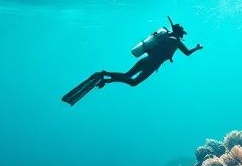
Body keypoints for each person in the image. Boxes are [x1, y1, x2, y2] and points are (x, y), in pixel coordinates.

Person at [62, 19, 203, 106]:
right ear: (179, 34)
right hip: (152, 65)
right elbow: (188, 53)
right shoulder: (176, 42)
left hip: (146, 60)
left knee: (127, 75)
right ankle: (105, 76)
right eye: (182, 33)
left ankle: (105, 76)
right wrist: (197, 48)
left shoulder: (165, 38)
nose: (183, 35)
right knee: (133, 82)